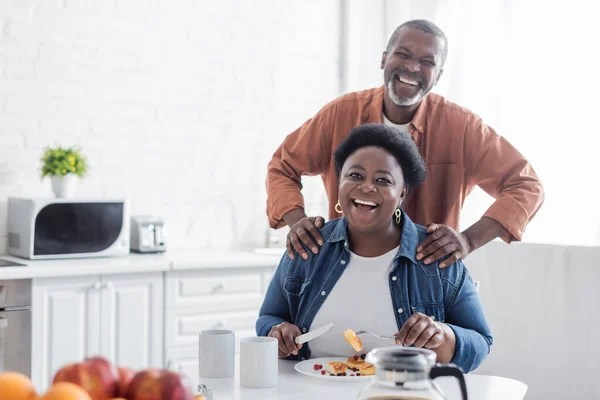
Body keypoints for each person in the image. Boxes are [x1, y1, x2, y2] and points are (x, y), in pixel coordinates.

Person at [265, 19, 544, 269]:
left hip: (424, 275)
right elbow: (282, 167)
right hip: (345, 266)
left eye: (427, 61)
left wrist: (468, 240)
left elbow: (526, 186)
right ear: (384, 58)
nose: (412, 67)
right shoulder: (341, 113)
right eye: (403, 54)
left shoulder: (463, 127)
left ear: (438, 75)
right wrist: (297, 221)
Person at [257, 124, 493, 373]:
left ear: (402, 194)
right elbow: (268, 319)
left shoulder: (436, 253)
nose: (367, 187)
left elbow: (480, 343)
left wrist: (442, 336)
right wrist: (277, 334)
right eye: (355, 176)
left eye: (383, 180)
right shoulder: (308, 246)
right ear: (340, 183)